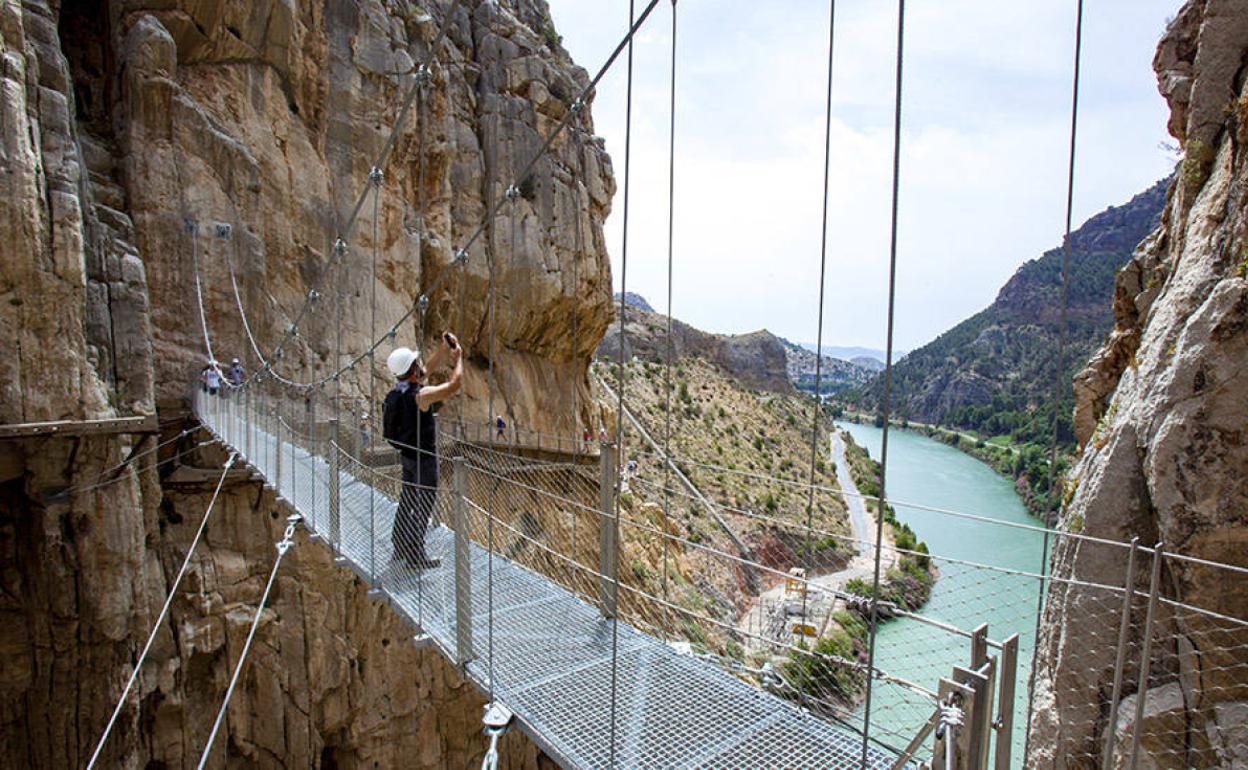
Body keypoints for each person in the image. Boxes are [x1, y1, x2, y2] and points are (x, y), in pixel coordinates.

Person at [383, 332, 462, 569]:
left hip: (407, 457)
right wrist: (459, 359)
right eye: (416, 363)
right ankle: (415, 555)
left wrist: (442, 349)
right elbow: (454, 385)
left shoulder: (398, 391)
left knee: (407, 500)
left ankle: (399, 544)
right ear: (412, 368)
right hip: (425, 460)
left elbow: (425, 370)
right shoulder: (422, 396)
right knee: (424, 504)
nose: (420, 365)